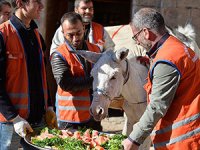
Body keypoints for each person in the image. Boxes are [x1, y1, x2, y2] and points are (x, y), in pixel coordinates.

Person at [122, 8, 200, 150]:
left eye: (135, 37)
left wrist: (134, 139)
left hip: (182, 140)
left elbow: (157, 106)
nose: (137, 43)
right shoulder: (176, 47)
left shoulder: (166, 60)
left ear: (145, 32)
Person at [0, 0, 57, 149]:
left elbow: (42, 76)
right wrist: (14, 118)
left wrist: (49, 106)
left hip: (38, 120)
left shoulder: (36, 35)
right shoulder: (3, 34)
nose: (42, 6)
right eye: (37, 1)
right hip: (9, 122)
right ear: (20, 3)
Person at [51, 12, 102, 131]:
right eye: (70, 35)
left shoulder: (95, 50)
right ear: (63, 33)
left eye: (78, 33)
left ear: (84, 28)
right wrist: (96, 81)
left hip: (94, 115)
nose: (75, 38)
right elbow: (66, 84)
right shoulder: (59, 55)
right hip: (70, 119)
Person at [50, 0, 115, 55]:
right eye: (84, 8)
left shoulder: (100, 29)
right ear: (76, 10)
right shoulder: (65, 28)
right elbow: (55, 52)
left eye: (91, 8)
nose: (88, 11)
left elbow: (110, 50)